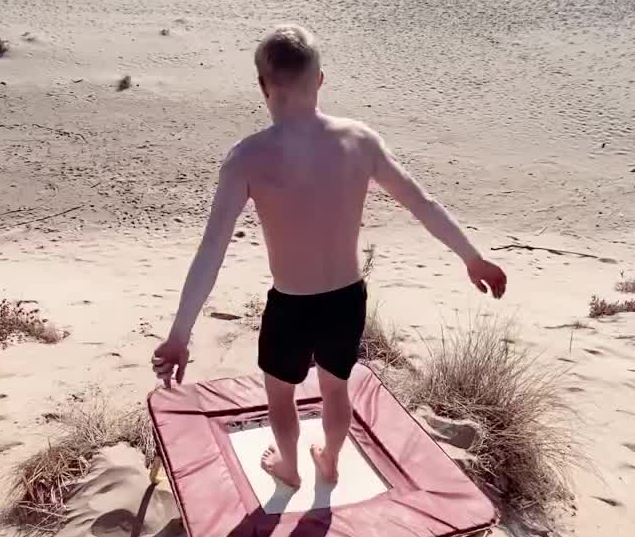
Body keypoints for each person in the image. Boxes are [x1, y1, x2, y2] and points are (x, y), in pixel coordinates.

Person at [153, 26, 507, 489]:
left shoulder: (247, 157)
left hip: (291, 305)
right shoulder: (359, 139)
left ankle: (289, 466)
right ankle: (331, 459)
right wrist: (472, 257)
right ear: (320, 80)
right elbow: (423, 204)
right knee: (335, 388)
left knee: (280, 396)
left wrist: (180, 335)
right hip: (346, 298)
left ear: (263, 86)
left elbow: (211, 251)